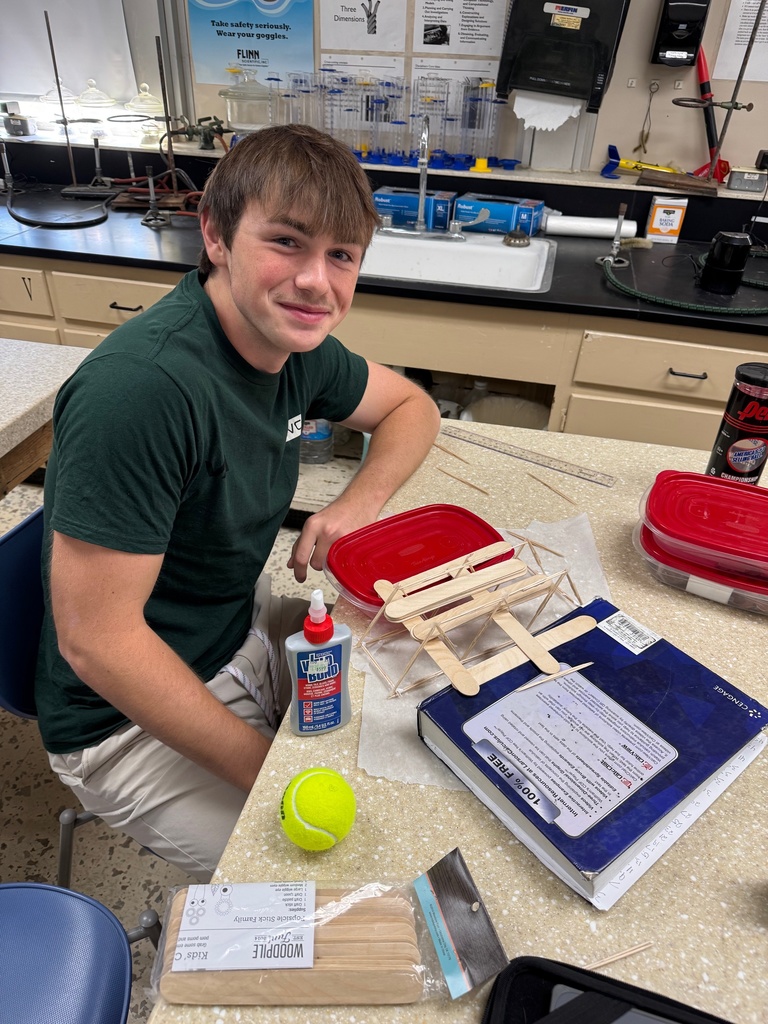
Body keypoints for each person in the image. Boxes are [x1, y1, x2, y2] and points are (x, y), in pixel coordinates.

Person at [34, 124, 441, 881]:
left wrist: (354, 504)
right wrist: (268, 770)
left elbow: (412, 408)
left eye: (342, 256)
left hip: (237, 625)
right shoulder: (145, 392)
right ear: (216, 235)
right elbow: (97, 645)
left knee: (429, 690)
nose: (317, 281)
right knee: (331, 886)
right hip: (122, 721)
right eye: (287, 242)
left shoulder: (298, 348)